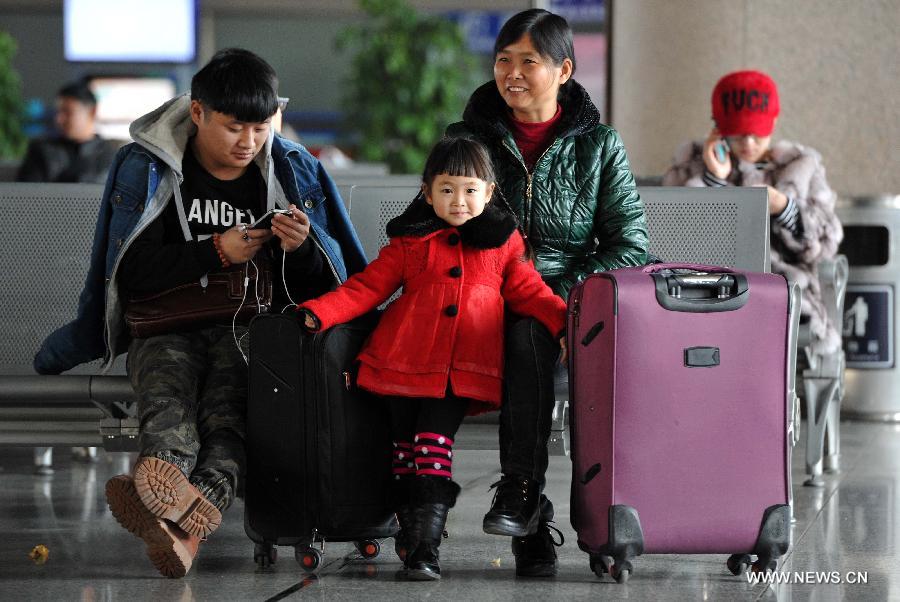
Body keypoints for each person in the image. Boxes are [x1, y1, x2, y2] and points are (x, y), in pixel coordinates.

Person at [32, 48, 366, 578]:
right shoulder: (148, 167)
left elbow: (328, 284)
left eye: (260, 129)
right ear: (197, 113)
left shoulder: (290, 168)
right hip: (166, 327)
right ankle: (179, 502)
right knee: (169, 406)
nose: (248, 143)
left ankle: (172, 519)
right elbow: (129, 270)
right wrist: (215, 251)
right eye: (235, 128)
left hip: (252, 331)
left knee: (232, 418)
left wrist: (302, 249)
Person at [298, 136, 568, 580]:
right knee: (403, 453)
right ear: (427, 192)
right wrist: (319, 313)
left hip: (456, 373)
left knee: (431, 445)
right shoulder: (412, 241)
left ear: (489, 190)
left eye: (468, 189)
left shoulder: (504, 245)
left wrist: (565, 325)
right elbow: (366, 288)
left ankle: (426, 549)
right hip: (399, 363)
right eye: (446, 189)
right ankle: (411, 537)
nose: (458, 200)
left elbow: (532, 293)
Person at [445, 9, 649, 577]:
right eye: (503, 60)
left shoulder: (599, 146)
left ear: (563, 70)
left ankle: (521, 494)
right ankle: (451, 515)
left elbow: (629, 244)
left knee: (532, 331)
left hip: (560, 310)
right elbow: (439, 222)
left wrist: (561, 299)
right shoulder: (467, 141)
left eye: (527, 61)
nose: (511, 72)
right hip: (481, 297)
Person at [663, 70, 843, 355]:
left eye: (756, 133)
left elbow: (827, 242)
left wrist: (785, 209)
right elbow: (672, 236)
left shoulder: (801, 166)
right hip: (706, 288)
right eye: (737, 134)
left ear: (772, 123)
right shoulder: (694, 163)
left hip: (783, 287)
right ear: (718, 128)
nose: (748, 143)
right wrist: (715, 181)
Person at [16, 80, 118, 183]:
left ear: (92, 112)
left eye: (67, 112)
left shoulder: (112, 156)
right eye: (58, 112)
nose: (58, 119)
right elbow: (25, 194)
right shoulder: (42, 152)